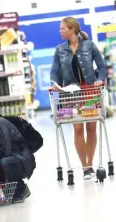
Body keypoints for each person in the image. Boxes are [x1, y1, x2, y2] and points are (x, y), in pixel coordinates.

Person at [50, 17, 107, 179]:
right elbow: (54, 71)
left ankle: (91, 161)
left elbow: (101, 66)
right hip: (70, 95)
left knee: (91, 128)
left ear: (72, 29)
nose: (60, 31)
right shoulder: (59, 50)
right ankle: (86, 167)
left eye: (62, 28)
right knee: (77, 128)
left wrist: (100, 79)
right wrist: (55, 84)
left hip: (90, 92)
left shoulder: (89, 46)